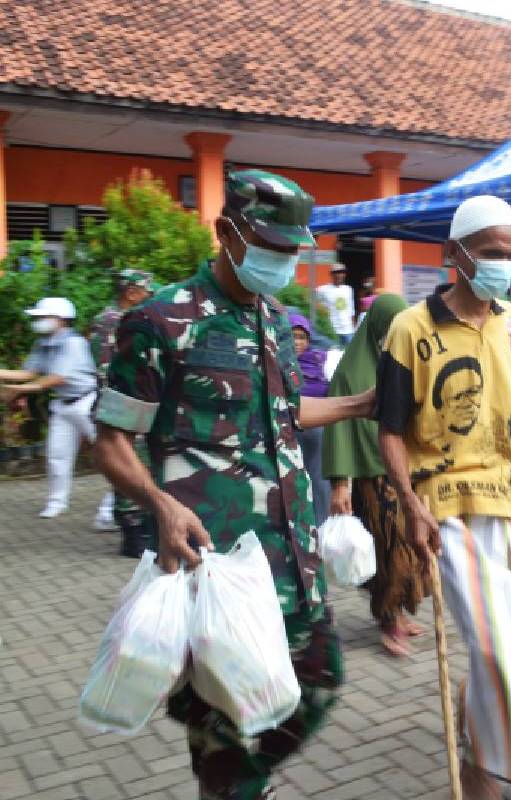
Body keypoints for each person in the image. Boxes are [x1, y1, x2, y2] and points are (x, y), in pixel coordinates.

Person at [93, 169, 375, 800]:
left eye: (289, 249)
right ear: (226, 231)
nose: (280, 260)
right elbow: (110, 440)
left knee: (319, 684)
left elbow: (280, 414)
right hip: (215, 562)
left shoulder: (276, 321)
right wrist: (158, 503)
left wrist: (359, 404)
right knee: (226, 720)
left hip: (291, 558)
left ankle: (234, 772)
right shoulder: (160, 321)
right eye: (268, 245)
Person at [375, 194, 511, 799]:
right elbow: (391, 430)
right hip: (445, 512)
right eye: (490, 253)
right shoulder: (410, 327)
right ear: (453, 254)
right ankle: (489, 779)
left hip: (510, 508)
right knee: (496, 647)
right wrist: (409, 502)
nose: (502, 264)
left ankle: (483, 753)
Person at [323, 293, 429, 658]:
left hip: (402, 474)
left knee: (410, 549)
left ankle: (397, 612)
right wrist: (340, 483)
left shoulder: (397, 362)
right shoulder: (350, 374)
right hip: (370, 477)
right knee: (391, 551)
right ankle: (390, 622)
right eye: (391, 327)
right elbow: (338, 428)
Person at [0, 297, 109, 524]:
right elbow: (29, 373)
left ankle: (113, 506)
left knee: (109, 456)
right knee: (57, 455)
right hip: (63, 405)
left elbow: (55, 378)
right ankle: (57, 502)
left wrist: (15, 390)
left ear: (60, 320)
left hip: (86, 402)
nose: (38, 321)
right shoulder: (43, 343)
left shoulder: (73, 343)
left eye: (42, 317)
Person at [90, 268, 158, 553]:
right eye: (146, 291)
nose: (150, 296)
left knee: (140, 462)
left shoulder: (125, 319)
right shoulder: (110, 321)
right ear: (131, 293)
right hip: (119, 402)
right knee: (127, 461)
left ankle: (140, 525)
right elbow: (107, 368)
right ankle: (131, 531)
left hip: (131, 401)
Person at [290, 311, 331, 527]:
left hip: (317, 432)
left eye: (302, 337)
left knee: (318, 480)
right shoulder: (278, 361)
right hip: (289, 432)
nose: (297, 342)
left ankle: (320, 526)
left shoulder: (319, 360)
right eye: (293, 336)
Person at [316, 263, 355, 346]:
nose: (339, 275)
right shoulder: (322, 290)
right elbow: (314, 305)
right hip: (332, 330)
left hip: (348, 330)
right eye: (337, 272)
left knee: (349, 355)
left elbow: (351, 310)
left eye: (342, 272)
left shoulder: (348, 289)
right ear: (332, 274)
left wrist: (353, 327)